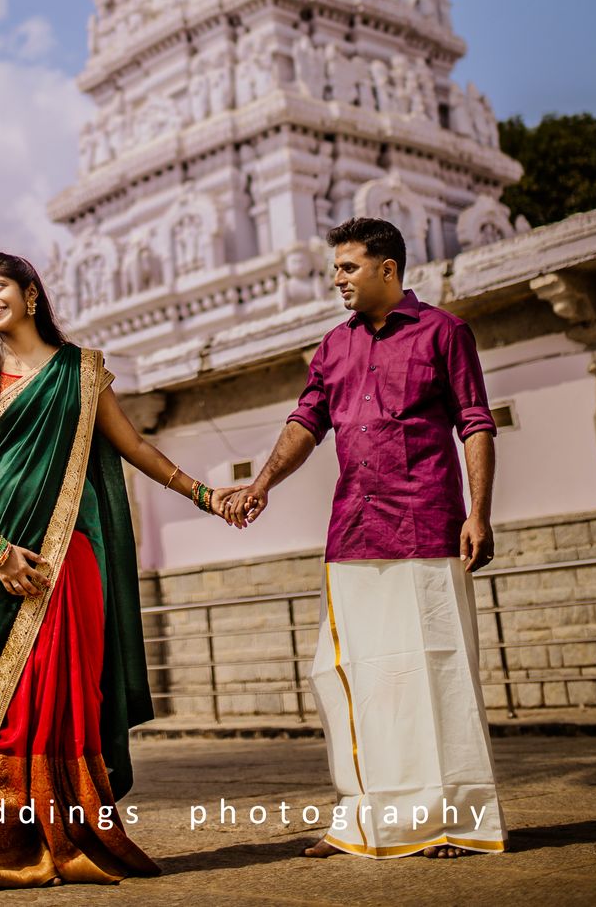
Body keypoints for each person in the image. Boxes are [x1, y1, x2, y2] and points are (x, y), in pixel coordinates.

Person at [220, 217, 507, 860]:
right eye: (335, 268)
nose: (337, 279)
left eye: (348, 267)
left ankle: (452, 822)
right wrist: (262, 482)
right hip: (353, 529)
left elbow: (476, 424)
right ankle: (367, 820)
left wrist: (478, 513)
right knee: (351, 677)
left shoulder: (444, 332)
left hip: (427, 523)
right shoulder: (332, 346)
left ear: (387, 267)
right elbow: (307, 421)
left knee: (438, 674)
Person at [0, 250, 225, 889]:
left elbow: (136, 447)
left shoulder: (81, 371)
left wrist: (207, 496)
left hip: (71, 556)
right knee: (5, 696)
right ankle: (10, 839)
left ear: (30, 294)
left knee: (70, 691)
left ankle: (74, 833)